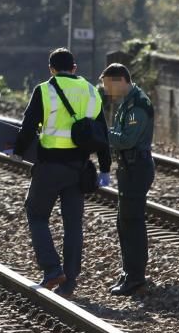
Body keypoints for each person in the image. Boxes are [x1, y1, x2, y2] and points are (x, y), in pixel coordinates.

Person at [9, 48, 112, 297]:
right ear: (74, 68)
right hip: (79, 168)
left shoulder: (44, 89)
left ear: (51, 69)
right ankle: (70, 281)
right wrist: (105, 169)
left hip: (50, 166)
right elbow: (101, 134)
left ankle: (52, 269)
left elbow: (28, 126)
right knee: (73, 224)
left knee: (36, 214)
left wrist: (17, 150)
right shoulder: (90, 90)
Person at [100, 62, 155, 296]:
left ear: (120, 79)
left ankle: (136, 278)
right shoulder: (127, 103)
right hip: (129, 167)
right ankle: (129, 272)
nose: (106, 91)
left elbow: (127, 140)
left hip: (136, 167)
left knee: (131, 222)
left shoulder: (137, 104)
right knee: (124, 222)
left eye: (108, 85)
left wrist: (100, 132)